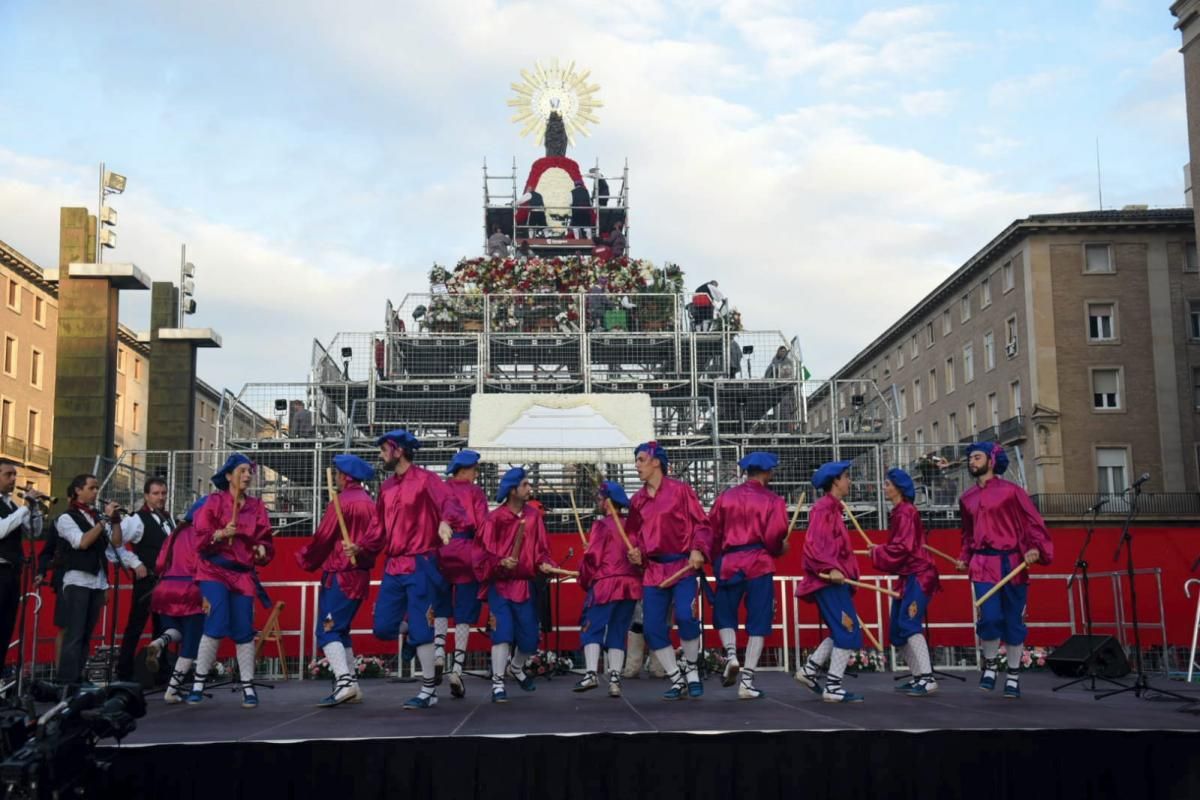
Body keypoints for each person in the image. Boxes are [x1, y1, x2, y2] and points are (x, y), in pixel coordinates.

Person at [371, 429, 468, 710]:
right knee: (382, 627)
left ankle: (428, 690)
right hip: (394, 564)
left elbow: (451, 504)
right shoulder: (387, 487)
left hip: (420, 563)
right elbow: (378, 529)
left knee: (422, 629)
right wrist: (359, 546)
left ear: (398, 450)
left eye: (383, 449)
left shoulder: (427, 480)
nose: (381, 455)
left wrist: (446, 521)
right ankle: (414, 629)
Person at [957, 442, 1053, 699]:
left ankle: (1012, 675)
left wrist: (1034, 548)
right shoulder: (966, 498)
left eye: (977, 457)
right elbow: (967, 533)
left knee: (1013, 620)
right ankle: (989, 666)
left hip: (1012, 563)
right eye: (970, 458)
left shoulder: (1012, 492)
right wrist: (964, 556)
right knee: (988, 617)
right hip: (982, 564)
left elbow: (1032, 522)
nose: (971, 462)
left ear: (992, 459)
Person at [625, 441, 713, 700]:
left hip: (682, 565)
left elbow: (702, 524)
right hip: (653, 570)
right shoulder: (637, 501)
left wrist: (698, 549)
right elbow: (633, 535)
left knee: (686, 616)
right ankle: (677, 677)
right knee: (652, 628)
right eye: (636, 460)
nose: (636, 465)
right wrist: (636, 553)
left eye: (640, 459)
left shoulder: (681, 491)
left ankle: (692, 670)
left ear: (655, 461)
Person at [187, 454, 275, 708]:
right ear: (228, 476)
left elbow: (265, 539)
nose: (248, 475)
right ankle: (198, 683)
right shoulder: (213, 502)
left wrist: (261, 549)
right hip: (214, 570)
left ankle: (248, 687)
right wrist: (218, 534)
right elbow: (199, 539)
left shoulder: (256, 506)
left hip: (242, 572)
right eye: (243, 471)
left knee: (244, 628)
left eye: (250, 471)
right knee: (217, 617)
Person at [296, 455, 384, 707]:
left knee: (327, 629)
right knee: (341, 630)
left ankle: (344, 682)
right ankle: (352, 683)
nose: (335, 477)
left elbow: (324, 537)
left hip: (340, 573)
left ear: (344, 476)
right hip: (359, 574)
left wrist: (306, 559)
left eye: (337, 473)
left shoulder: (341, 501)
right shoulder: (369, 502)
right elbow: (377, 539)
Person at [708, 452, 789, 700]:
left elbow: (713, 532)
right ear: (767, 473)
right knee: (759, 621)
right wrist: (780, 548)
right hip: (759, 563)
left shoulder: (725, 498)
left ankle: (731, 655)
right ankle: (748, 680)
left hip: (731, 561)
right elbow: (775, 537)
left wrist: (717, 561)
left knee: (724, 615)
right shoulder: (774, 501)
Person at [477, 467, 557, 703]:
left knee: (530, 639)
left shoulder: (533, 517)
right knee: (501, 634)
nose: (529, 488)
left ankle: (516, 666)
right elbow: (481, 555)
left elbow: (542, 550)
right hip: (500, 587)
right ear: (512, 490)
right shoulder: (493, 519)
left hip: (525, 586)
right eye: (524, 485)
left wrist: (545, 563)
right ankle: (498, 684)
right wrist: (500, 562)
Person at [793, 460, 865, 704]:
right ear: (835, 481)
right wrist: (830, 568)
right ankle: (833, 686)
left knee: (840, 629)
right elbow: (814, 545)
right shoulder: (824, 509)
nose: (849, 481)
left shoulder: (833, 508)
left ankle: (810, 670)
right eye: (846, 477)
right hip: (829, 581)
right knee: (847, 629)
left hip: (834, 580)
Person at [54, 474, 132, 685]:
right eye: (91, 488)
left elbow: (115, 543)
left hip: (97, 581)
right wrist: (104, 520)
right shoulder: (66, 518)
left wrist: (114, 521)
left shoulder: (95, 516)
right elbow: (82, 542)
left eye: (97, 488)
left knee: (87, 634)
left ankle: (79, 676)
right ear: (78, 490)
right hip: (77, 579)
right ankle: (66, 680)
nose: (96, 492)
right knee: (75, 633)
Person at [870, 468, 940, 697]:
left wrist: (878, 552)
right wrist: (880, 551)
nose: (885, 488)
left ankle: (927, 679)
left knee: (909, 623)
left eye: (888, 484)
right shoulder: (900, 512)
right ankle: (919, 676)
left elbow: (903, 548)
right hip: (909, 575)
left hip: (919, 574)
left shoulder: (905, 512)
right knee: (898, 630)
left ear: (899, 488)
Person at [574, 481, 642, 697]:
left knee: (592, 626)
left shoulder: (602, 525)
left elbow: (593, 558)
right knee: (618, 631)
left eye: (601, 498)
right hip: (630, 586)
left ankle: (591, 673)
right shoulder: (635, 526)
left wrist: (584, 572)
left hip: (606, 584)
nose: (599, 502)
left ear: (607, 502)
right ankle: (615, 679)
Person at [437, 449, 490, 700]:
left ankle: (438, 654)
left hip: (441, 552)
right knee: (463, 615)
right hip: (467, 552)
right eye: (475, 470)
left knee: (439, 607)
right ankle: (456, 669)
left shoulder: (441, 489)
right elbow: (482, 525)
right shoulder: (475, 492)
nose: (477, 474)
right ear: (467, 470)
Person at [144, 496, 208, 704]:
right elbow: (204, 565)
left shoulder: (175, 533)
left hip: (165, 589)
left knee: (174, 631)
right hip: (191, 589)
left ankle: (159, 642)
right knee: (191, 641)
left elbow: (160, 563)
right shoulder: (203, 535)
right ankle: (172, 689)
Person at [115, 477, 169, 681]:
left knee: (163, 628)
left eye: (163, 493)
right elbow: (116, 544)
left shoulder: (167, 519)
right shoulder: (136, 519)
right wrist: (135, 563)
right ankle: (124, 673)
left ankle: (162, 674)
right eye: (156, 493)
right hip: (147, 582)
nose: (160, 497)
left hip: (166, 582)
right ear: (146, 496)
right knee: (135, 626)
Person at [0, 460, 44, 674]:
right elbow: (2, 529)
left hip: (12, 572)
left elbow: (34, 531)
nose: (13, 480)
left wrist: (33, 510)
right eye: (8, 475)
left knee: (6, 628)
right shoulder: (14, 508)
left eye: (14, 475)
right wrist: (24, 508)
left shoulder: (12, 505)